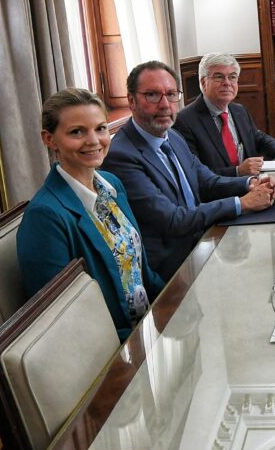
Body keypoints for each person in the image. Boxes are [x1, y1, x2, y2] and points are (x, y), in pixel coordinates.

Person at [102, 61, 275, 281]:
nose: (165, 105)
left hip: (202, 241)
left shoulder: (172, 135)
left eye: (171, 94)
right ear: (131, 101)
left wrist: (249, 183)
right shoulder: (121, 155)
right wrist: (242, 203)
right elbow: (173, 220)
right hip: (171, 267)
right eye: (152, 95)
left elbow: (207, 182)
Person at [17, 88, 165, 340]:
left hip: (149, 327)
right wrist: (136, 341)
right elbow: (63, 315)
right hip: (114, 345)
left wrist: (172, 304)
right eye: (77, 132)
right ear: (49, 140)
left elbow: (140, 269)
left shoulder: (111, 184)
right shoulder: (45, 217)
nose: (94, 141)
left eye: (100, 128)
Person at [173, 52, 275, 177]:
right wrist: (237, 171)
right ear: (203, 82)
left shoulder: (239, 111)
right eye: (219, 77)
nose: (227, 83)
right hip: (221, 196)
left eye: (232, 77)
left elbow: (257, 137)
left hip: (254, 186)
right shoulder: (185, 121)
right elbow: (194, 174)